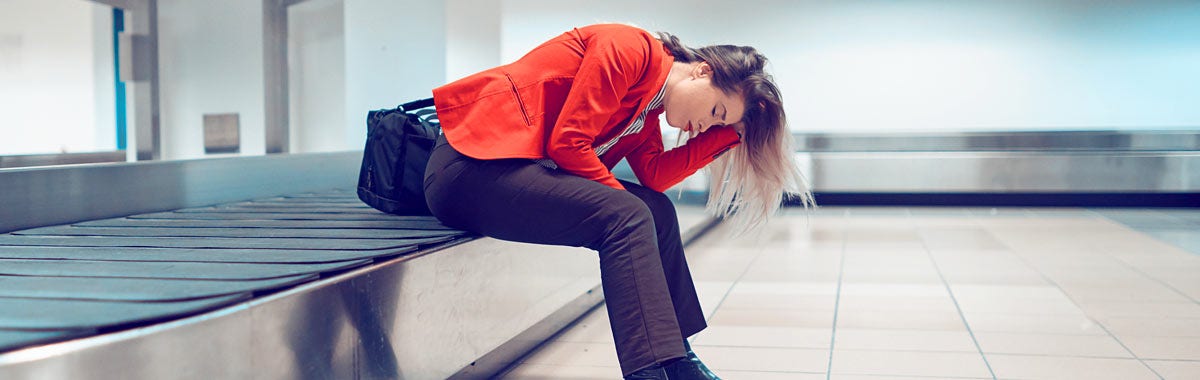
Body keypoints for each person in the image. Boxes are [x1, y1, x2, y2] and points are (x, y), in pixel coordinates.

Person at [424, 23, 814, 380]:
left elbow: (655, 176)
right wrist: (624, 204)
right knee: (627, 214)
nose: (706, 124)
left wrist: (730, 135)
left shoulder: (648, 111)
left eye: (717, 122)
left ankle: (677, 359)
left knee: (658, 211)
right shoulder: (628, 50)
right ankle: (648, 371)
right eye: (715, 112)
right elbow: (568, 142)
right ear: (702, 71)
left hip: (514, 175)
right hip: (468, 168)